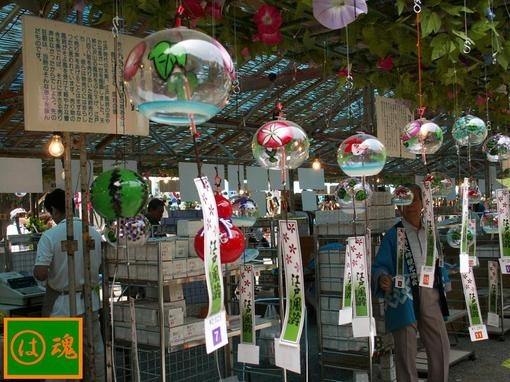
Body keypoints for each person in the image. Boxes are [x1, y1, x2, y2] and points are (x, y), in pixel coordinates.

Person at [371, 184, 450, 382]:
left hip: (430, 293)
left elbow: (439, 261)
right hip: (402, 296)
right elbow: (379, 265)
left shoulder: (431, 232)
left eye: (414, 199)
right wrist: (382, 278)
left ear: (423, 203)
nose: (411, 205)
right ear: (399, 206)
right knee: (405, 351)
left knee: (440, 345)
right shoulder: (392, 235)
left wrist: (445, 281)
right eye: (405, 200)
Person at [33, 189, 105, 381]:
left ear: (55, 210)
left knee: (59, 358)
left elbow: (40, 273)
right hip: (90, 303)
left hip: (61, 307)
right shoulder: (93, 234)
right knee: (94, 353)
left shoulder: (50, 236)